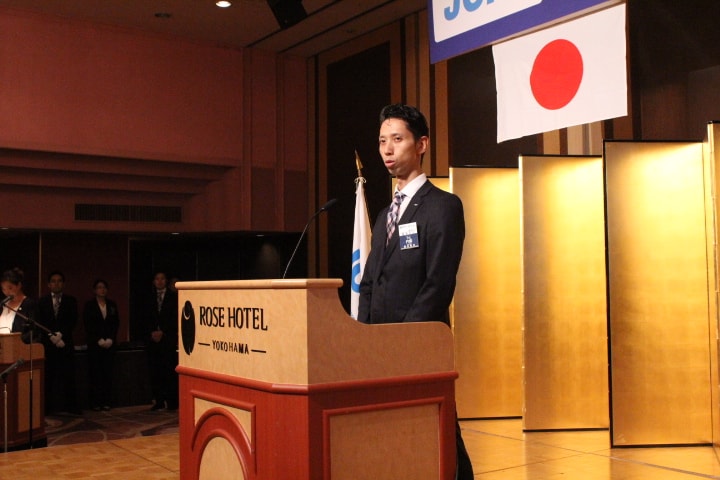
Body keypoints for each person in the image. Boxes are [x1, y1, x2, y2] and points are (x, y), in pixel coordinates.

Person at [358, 104, 473, 479]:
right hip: (381, 349)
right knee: (395, 439)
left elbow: (438, 284)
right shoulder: (384, 215)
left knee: (440, 436)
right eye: (382, 141)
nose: (387, 149)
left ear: (421, 144)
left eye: (397, 139)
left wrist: (405, 339)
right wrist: (364, 337)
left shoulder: (443, 207)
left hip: (419, 346)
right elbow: (370, 281)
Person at [37, 271, 81, 415]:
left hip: (65, 343)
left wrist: (61, 334)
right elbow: (40, 321)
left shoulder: (70, 300)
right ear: (49, 284)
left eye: (59, 281)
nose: (56, 283)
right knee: (48, 376)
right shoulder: (42, 301)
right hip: (48, 344)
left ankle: (72, 407)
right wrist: (51, 336)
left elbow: (73, 320)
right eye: (53, 281)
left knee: (69, 375)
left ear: (63, 283)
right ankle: (46, 408)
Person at [83, 279, 120, 411]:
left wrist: (110, 339)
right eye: (99, 287)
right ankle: (95, 402)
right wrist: (97, 339)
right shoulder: (89, 305)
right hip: (95, 345)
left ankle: (106, 401)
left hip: (109, 345)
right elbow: (88, 324)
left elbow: (115, 323)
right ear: (94, 290)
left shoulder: (112, 305)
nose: (102, 290)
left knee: (107, 374)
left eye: (104, 287)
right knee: (95, 374)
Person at [145, 271, 178, 411]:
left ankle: (172, 402)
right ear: (154, 281)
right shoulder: (148, 297)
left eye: (162, 279)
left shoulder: (173, 297)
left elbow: (175, 318)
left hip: (167, 339)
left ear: (166, 281)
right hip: (152, 340)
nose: (159, 281)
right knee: (155, 371)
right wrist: (152, 332)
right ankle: (158, 401)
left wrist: (163, 331)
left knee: (169, 371)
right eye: (157, 279)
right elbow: (144, 318)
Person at [0, 268, 40, 343]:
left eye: (10, 288)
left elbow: (34, 331)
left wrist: (15, 341)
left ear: (19, 285)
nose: (7, 292)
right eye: (3, 289)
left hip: (18, 346)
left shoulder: (29, 304)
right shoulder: (3, 304)